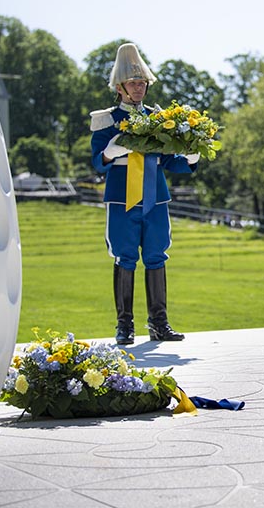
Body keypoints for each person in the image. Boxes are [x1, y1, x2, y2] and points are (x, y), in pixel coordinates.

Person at [90, 43, 199, 344]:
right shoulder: (106, 120)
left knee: (156, 255)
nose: (139, 88)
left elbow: (167, 159)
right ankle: (124, 325)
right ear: (120, 86)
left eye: (142, 83)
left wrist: (190, 160)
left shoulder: (160, 117)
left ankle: (159, 324)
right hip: (122, 196)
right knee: (125, 256)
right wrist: (110, 152)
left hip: (155, 196)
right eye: (133, 83)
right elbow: (97, 161)